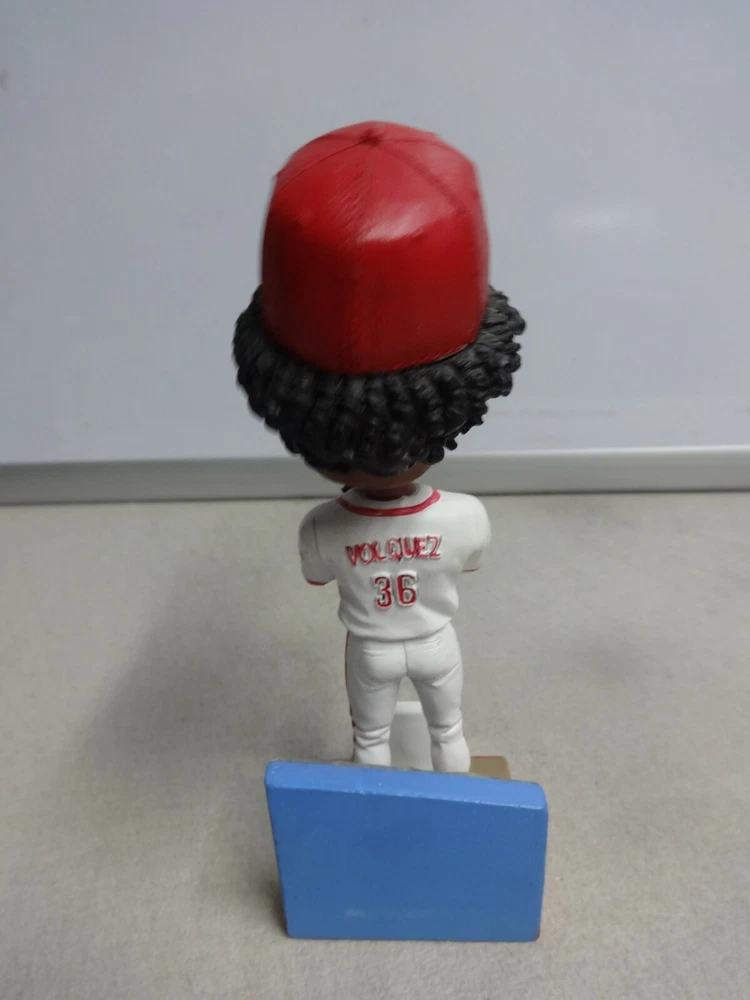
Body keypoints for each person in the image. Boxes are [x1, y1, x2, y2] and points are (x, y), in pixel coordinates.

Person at [233, 121, 525, 771]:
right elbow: (469, 561)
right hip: (435, 640)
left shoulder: (322, 526)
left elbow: (317, 573)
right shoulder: (467, 516)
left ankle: (373, 806)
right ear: (460, 404)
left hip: (370, 647)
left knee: (370, 740)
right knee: (449, 731)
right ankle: (457, 806)